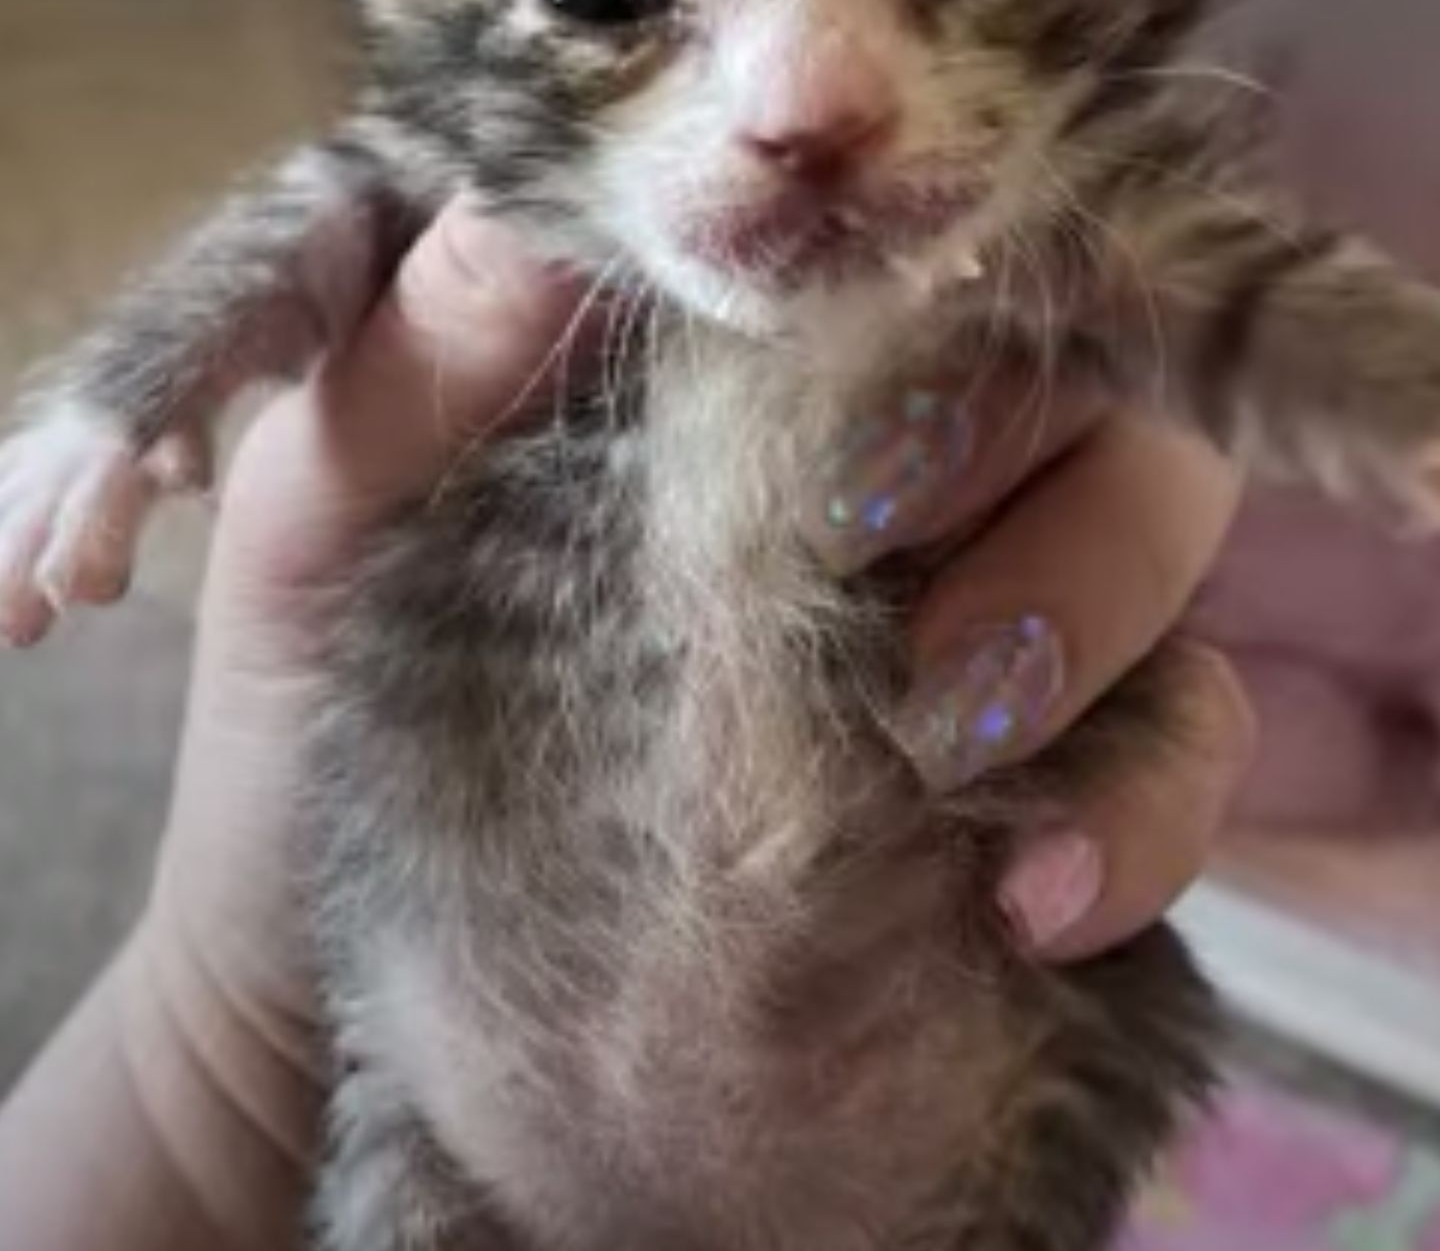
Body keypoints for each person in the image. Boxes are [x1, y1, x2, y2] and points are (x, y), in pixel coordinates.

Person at [0, 201, 1255, 1251]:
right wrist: (118, 404)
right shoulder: (517, 191)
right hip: (456, 1075)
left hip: (920, 1096)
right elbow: (350, 193)